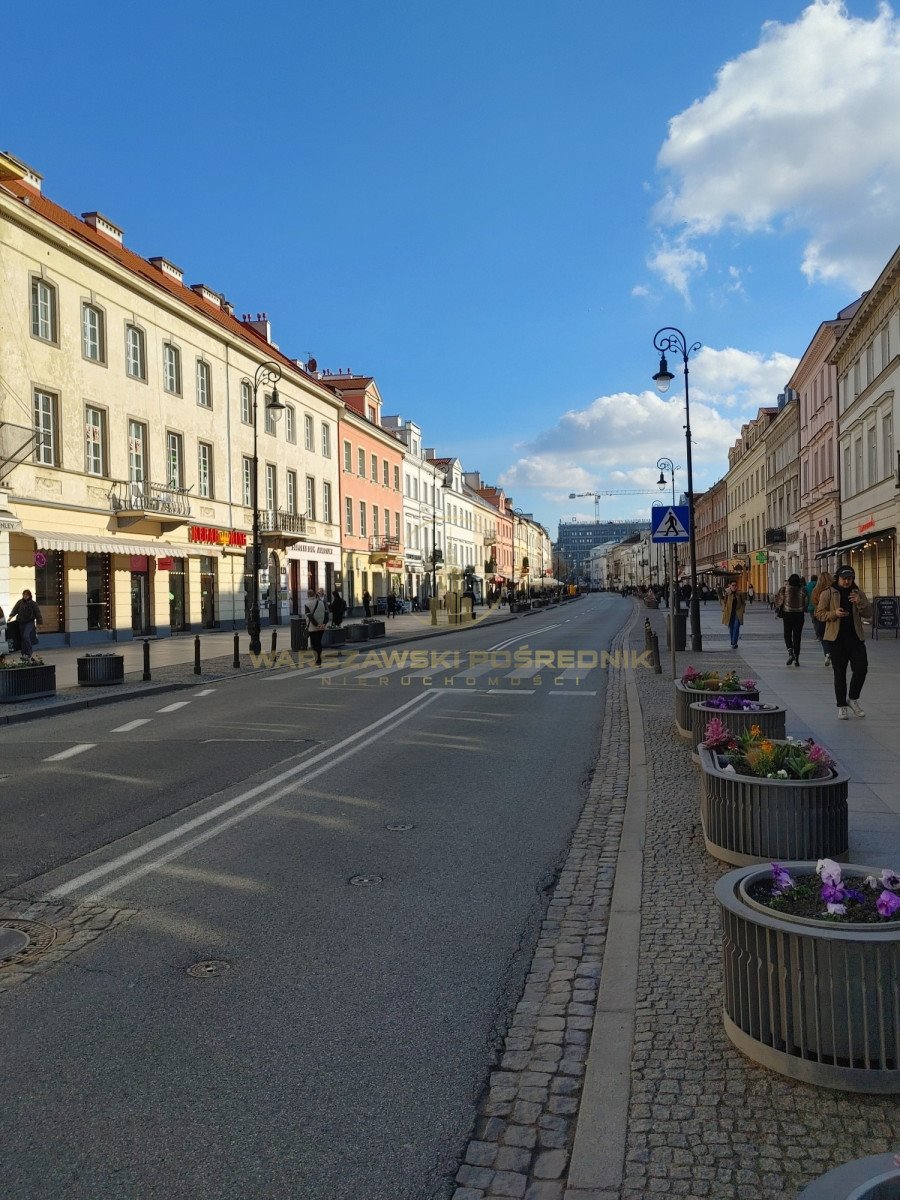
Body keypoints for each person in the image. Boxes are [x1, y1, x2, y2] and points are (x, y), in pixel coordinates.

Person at [815, 565, 872, 719]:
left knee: (861, 668)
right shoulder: (828, 593)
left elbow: (868, 614)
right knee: (839, 673)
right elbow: (819, 614)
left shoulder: (858, 593)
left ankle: (852, 699)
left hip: (856, 639)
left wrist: (859, 602)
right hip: (836, 639)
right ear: (838, 578)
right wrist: (834, 613)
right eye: (844, 578)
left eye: (850, 578)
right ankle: (841, 706)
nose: (847, 581)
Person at [775, 573, 806, 666]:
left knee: (787, 634)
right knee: (797, 636)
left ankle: (790, 652)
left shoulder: (784, 589)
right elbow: (806, 601)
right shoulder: (802, 589)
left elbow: (778, 601)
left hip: (787, 614)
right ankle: (797, 659)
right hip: (799, 615)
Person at [9, 589, 42, 661]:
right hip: (21, 622)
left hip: (30, 622)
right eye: (24, 595)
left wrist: (39, 624)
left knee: (26, 636)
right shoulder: (20, 602)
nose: (25, 596)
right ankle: (24, 654)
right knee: (22, 638)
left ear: (29, 595)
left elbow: (38, 613)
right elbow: (15, 609)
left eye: (26, 595)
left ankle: (29, 652)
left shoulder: (33, 603)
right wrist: (11, 616)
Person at [809, 571, 832, 664]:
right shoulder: (833, 589)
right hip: (831, 614)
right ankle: (831, 652)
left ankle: (827, 653)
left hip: (819, 615)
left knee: (822, 635)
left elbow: (814, 602)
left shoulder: (816, 590)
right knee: (832, 634)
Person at [304, 587, 329, 666]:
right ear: (314, 594)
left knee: (315, 644)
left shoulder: (307, 604)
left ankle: (317, 659)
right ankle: (319, 658)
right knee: (319, 642)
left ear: (308, 595)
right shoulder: (321, 602)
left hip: (313, 627)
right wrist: (323, 624)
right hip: (321, 627)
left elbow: (310, 617)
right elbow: (326, 614)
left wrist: (316, 625)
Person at [721, 581, 745, 649]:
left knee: (736, 627)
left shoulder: (739, 593)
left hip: (738, 612)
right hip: (729, 612)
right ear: (730, 586)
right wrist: (724, 609)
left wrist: (742, 609)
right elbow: (724, 602)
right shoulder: (727, 593)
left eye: (735, 585)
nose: (734, 587)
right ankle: (733, 642)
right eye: (733, 585)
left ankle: (734, 643)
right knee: (731, 627)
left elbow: (743, 602)